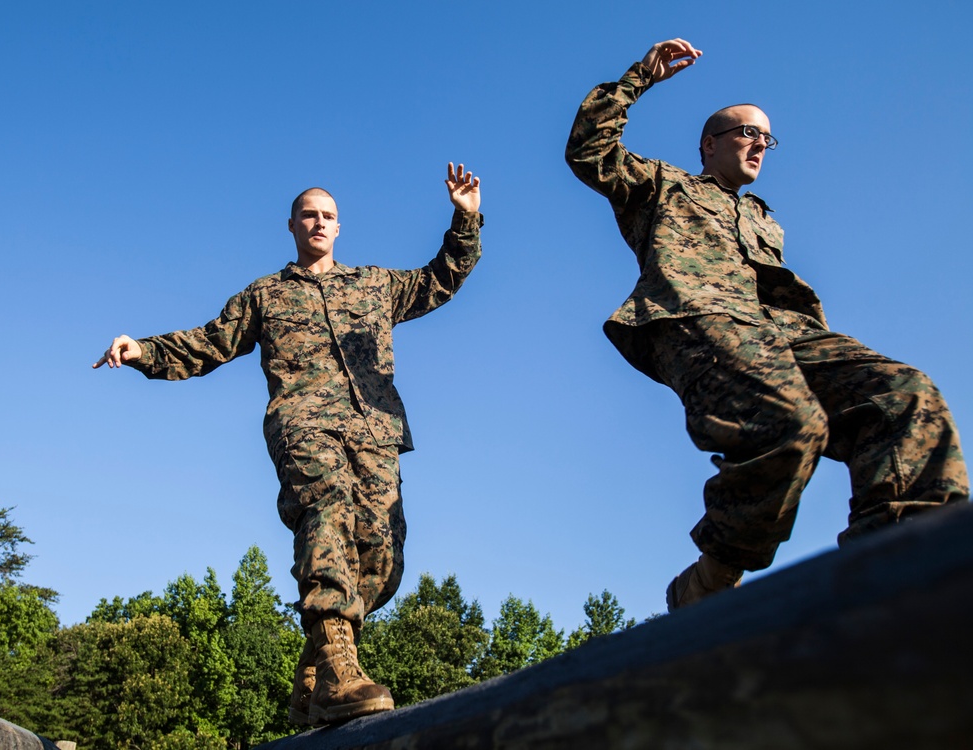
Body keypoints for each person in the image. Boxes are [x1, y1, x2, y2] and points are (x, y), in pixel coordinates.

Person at [565, 39, 968, 613]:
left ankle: (906, 560)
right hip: (699, 320)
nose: (760, 143)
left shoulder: (761, 217)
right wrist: (638, 78)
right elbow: (589, 149)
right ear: (708, 144)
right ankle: (713, 574)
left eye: (767, 137)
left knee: (903, 393)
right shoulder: (660, 185)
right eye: (746, 132)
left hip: (785, 330)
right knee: (789, 423)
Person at [93, 163, 483, 724]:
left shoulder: (376, 285)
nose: (319, 223)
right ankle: (339, 672)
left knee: (381, 556)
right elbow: (210, 342)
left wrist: (464, 219)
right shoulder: (266, 295)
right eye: (309, 215)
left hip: (375, 430)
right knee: (326, 513)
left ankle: (314, 670)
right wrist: (143, 351)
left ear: (339, 228)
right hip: (304, 427)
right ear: (293, 226)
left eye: (328, 216)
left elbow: (440, 278)